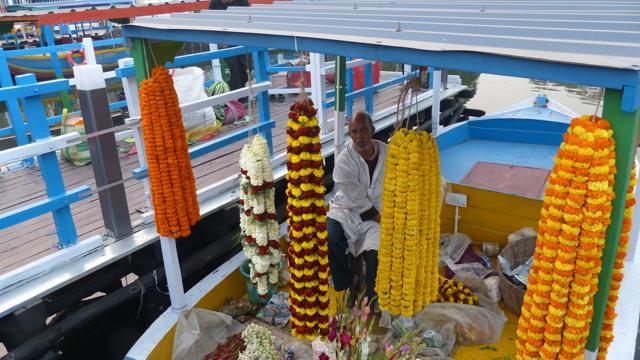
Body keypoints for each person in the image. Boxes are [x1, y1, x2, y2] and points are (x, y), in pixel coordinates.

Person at [327, 111, 387, 307]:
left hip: (379, 211)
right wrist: (387, 224)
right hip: (346, 209)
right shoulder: (345, 160)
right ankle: (347, 284)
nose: (359, 136)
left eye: (363, 130)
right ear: (350, 135)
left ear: (372, 129)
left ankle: (371, 298)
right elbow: (359, 203)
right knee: (331, 236)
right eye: (354, 132)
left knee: (375, 253)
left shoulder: (389, 153)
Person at [208, 0, 250, 94]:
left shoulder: (242, 2)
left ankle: (241, 90)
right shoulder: (214, 4)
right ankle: (237, 95)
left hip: (241, 38)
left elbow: (249, 18)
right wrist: (220, 40)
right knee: (234, 67)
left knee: (247, 67)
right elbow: (210, 22)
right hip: (224, 40)